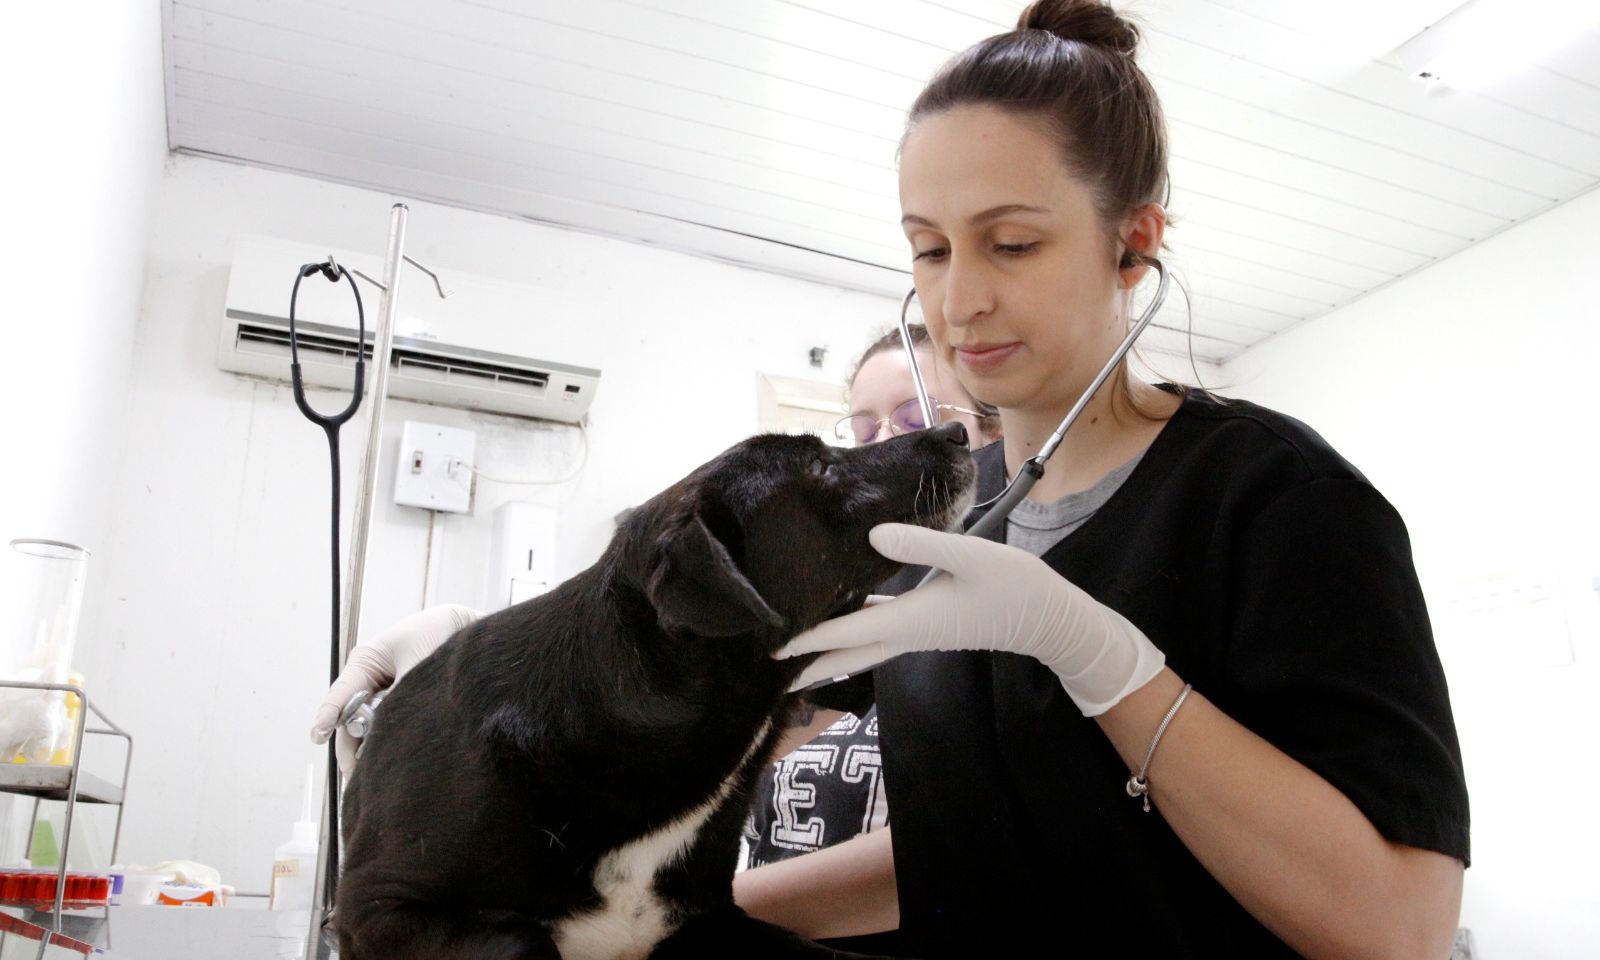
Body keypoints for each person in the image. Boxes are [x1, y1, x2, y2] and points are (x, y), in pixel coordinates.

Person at [314, 2, 1470, 955]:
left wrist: (1100, 657)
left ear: (1133, 244)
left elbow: (1398, 927)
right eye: (928, 245)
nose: (957, 297)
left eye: (1011, 242)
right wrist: (478, 659)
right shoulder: (920, 539)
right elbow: (950, 842)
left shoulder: (1277, 501)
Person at [735, 325, 1000, 953]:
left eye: (913, 421)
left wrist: (688, 919)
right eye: (861, 432)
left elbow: (953, 854)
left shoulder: (1008, 614)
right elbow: (754, 739)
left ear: (996, 434)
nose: (881, 448)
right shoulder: (851, 591)